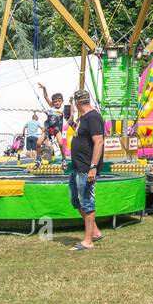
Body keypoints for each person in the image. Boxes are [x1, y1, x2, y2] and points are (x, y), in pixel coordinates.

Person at [68, 89, 104, 252]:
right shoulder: (83, 119)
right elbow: (79, 133)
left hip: (86, 167)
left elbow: (99, 142)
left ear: (77, 102)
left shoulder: (93, 117)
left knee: (87, 202)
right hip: (77, 166)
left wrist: (93, 167)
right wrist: (71, 120)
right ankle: (95, 231)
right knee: (75, 200)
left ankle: (88, 240)